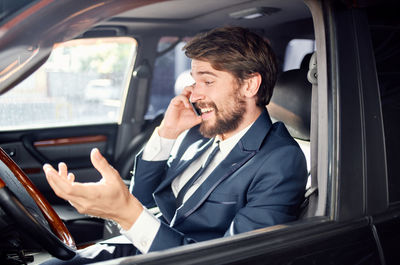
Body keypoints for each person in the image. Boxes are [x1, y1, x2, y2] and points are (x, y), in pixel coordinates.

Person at [42, 26, 308, 264]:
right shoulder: (199, 134)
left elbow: (236, 259)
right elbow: (143, 199)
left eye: (208, 81)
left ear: (249, 85)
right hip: (137, 246)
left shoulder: (280, 160)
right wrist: (167, 133)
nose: (194, 92)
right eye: (194, 80)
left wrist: (125, 213)